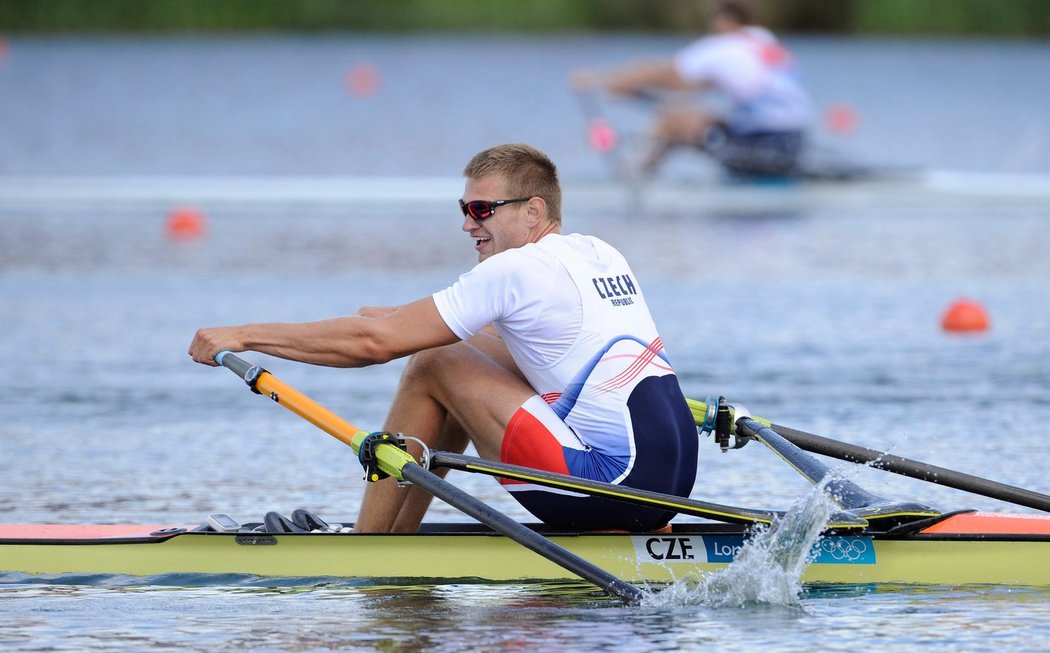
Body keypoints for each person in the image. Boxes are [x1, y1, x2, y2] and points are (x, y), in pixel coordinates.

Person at [188, 143, 698, 533]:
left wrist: (244, 334)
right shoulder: (598, 253)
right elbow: (526, 354)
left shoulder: (515, 269)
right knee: (447, 356)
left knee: (434, 365)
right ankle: (391, 537)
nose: (466, 224)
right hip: (671, 488)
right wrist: (408, 321)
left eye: (482, 210)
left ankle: (372, 545)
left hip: (609, 485)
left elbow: (373, 344)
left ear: (533, 212)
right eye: (464, 208)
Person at [572, 0, 812, 178]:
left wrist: (599, 80)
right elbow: (694, 85)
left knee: (672, 121)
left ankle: (632, 184)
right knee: (689, 114)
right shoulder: (763, 39)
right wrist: (636, 90)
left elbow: (665, 73)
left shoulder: (723, 46)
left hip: (765, 144)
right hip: (795, 141)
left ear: (724, 18)